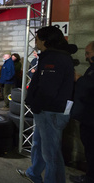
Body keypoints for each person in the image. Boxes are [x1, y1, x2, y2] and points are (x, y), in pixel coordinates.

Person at [16, 26, 77, 183]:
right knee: (39, 145)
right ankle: (34, 173)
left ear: (45, 40)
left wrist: (36, 104)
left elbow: (48, 90)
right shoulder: (51, 56)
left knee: (51, 154)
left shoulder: (55, 58)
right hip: (46, 111)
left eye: (36, 38)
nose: (35, 41)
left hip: (50, 111)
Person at [70, 41, 94, 183]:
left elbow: (90, 88)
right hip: (87, 118)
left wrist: (79, 80)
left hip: (91, 120)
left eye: (88, 53)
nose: (86, 56)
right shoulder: (91, 69)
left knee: (91, 150)